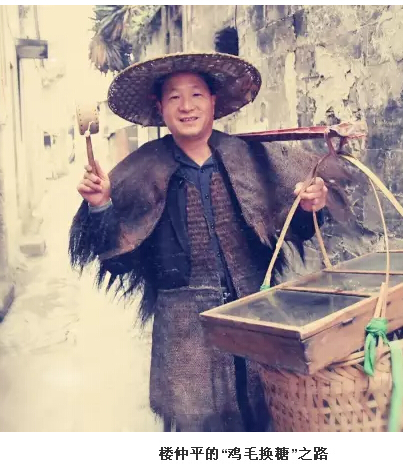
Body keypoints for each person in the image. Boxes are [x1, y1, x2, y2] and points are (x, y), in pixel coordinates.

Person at [68, 52, 350, 432]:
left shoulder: (250, 156)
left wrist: (309, 206)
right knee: (198, 430)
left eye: (197, 94)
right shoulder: (141, 170)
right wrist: (101, 205)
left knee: (268, 416)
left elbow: (292, 228)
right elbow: (118, 259)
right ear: (160, 107)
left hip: (256, 314)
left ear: (213, 102)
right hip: (184, 333)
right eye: (174, 97)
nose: (187, 106)